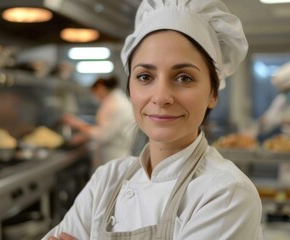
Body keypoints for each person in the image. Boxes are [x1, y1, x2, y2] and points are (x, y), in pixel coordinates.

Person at [44, 0, 262, 239]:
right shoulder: (106, 180)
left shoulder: (226, 194)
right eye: (145, 76)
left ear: (213, 93)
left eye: (184, 78)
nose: (160, 97)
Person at [63, 76, 136, 168]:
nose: (96, 97)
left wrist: (77, 123)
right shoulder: (112, 101)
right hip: (107, 156)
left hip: (114, 158)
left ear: (100, 88)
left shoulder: (119, 105)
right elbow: (103, 127)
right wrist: (84, 136)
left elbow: (103, 135)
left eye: (95, 93)